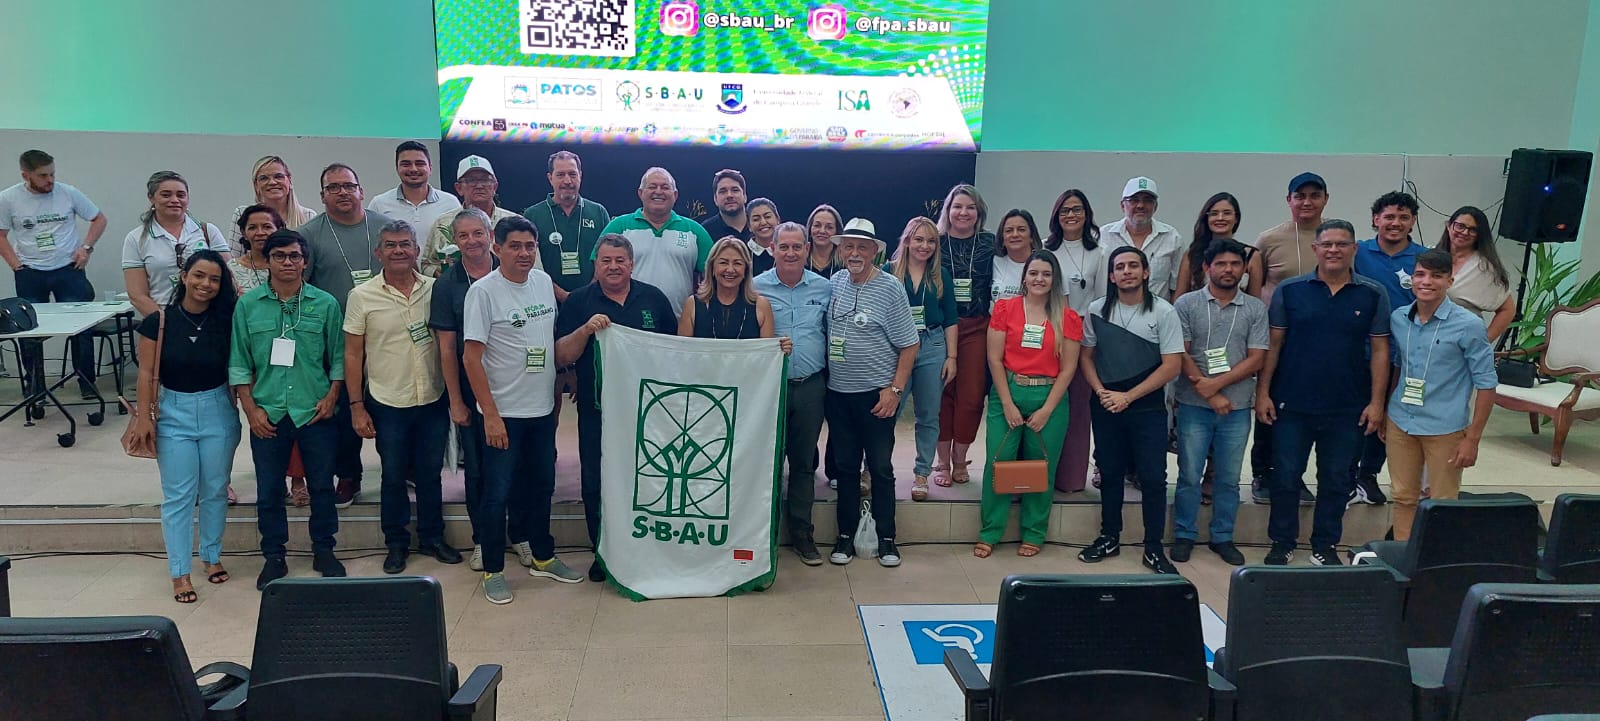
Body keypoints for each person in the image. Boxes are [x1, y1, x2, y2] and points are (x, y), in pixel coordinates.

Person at [1256, 219, 1391, 566]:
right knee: (1285, 476)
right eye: (1327, 244)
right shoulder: (1291, 290)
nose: (1334, 250)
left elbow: (1379, 351)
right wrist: (1264, 392)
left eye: (1341, 244)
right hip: (1292, 403)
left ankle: (1325, 545)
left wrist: (1377, 403)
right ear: (1315, 249)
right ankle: (1282, 542)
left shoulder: (1373, 294)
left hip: (1348, 406)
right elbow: (1274, 344)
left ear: (1354, 249)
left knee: (1336, 479)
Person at [463, 215, 581, 604]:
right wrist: (490, 414)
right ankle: (494, 569)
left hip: (543, 409)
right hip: (503, 413)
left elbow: (553, 335)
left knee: (541, 485)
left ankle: (543, 556)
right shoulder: (483, 293)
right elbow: (470, 359)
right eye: (515, 245)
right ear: (496, 248)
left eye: (530, 246)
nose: (524, 253)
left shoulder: (544, 283)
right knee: (497, 493)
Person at [229, 229, 347, 589]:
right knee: (268, 490)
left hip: (315, 410)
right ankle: (274, 556)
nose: (287, 262)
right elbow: (238, 362)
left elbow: (339, 358)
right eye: (279, 256)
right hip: (268, 413)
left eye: (294, 256)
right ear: (267, 261)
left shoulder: (324, 303)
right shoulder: (248, 306)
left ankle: (324, 550)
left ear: (305, 261)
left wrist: (332, 397)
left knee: (323, 487)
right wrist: (250, 410)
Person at [555, 233, 677, 580]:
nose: (613, 266)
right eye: (606, 260)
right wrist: (585, 331)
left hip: (649, 412)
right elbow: (562, 354)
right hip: (599, 411)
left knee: (648, 479)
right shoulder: (579, 301)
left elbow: (674, 349)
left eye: (620, 260)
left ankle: (648, 547)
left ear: (631, 263)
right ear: (596, 263)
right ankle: (603, 552)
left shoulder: (652, 298)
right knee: (597, 481)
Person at [343, 220, 463, 574]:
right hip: (387, 400)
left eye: (405, 244)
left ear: (415, 250)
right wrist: (356, 406)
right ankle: (395, 543)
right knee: (393, 475)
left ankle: (432, 537)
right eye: (391, 245)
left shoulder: (435, 289)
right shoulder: (361, 296)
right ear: (379, 252)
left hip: (432, 397)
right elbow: (352, 354)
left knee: (429, 473)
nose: (398, 251)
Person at [127, 250, 240, 603]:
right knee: (178, 496)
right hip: (173, 412)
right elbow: (146, 372)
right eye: (199, 276)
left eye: (214, 279)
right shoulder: (158, 321)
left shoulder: (228, 319)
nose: (206, 284)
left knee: (216, 489)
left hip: (218, 408)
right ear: (184, 276)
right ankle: (179, 571)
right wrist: (144, 416)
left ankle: (211, 555)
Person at [431, 207, 539, 573]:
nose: (472, 241)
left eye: (478, 233)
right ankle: (483, 541)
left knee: (522, 472)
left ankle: (521, 535)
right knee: (481, 474)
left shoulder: (523, 271)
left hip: (521, 393)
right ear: (455, 241)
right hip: (476, 394)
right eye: (464, 236)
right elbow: (449, 348)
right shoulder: (449, 284)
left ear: (489, 236)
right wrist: (458, 402)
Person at [1077, 246, 1185, 574]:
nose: (1127, 271)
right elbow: (1086, 357)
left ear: (1146, 272)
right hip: (1106, 404)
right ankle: (1109, 536)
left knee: (1153, 477)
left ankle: (1153, 548)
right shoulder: (1096, 310)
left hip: (1148, 407)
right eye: (1120, 267)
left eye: (1133, 266)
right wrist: (1101, 392)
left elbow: (1172, 366)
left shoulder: (1164, 312)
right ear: (1111, 275)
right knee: (1109, 473)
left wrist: (1129, 397)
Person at [825, 218, 919, 568]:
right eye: (848, 246)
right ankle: (845, 537)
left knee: (880, 468)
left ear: (875, 252)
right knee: (846, 468)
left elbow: (910, 345)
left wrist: (894, 390)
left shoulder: (891, 288)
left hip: (878, 397)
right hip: (839, 395)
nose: (854, 253)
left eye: (862, 247)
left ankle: (887, 538)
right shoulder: (834, 284)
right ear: (840, 250)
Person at [974, 251, 1081, 559]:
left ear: (1054, 279)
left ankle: (1034, 532)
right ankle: (990, 532)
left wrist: (1047, 409)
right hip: (1008, 392)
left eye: (1046, 274)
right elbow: (993, 358)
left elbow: (1069, 368)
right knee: (999, 461)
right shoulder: (1006, 309)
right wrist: (1006, 402)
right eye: (1033, 273)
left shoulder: (1067, 317)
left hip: (1049, 398)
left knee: (1041, 468)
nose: (1038, 279)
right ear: (1024, 278)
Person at [1386, 250, 1497, 539]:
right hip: (1401, 420)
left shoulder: (1469, 325)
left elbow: (1486, 384)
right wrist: (1388, 408)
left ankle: (1436, 568)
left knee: (1442, 502)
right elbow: (1399, 365)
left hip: (1445, 426)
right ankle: (1403, 560)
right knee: (1403, 497)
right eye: (1420, 274)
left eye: (1436, 276)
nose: (1427, 282)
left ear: (1450, 280)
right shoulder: (1399, 318)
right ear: (1412, 278)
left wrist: (1472, 439)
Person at [302, 163, 393, 508]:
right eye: (334, 187)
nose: (342, 192)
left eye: (348, 186)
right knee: (344, 414)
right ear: (322, 195)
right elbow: (303, 288)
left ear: (361, 190)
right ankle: (349, 475)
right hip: (338, 341)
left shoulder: (384, 227)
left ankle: (399, 471)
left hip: (387, 337)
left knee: (391, 409)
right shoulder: (310, 234)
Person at [1171, 240, 1268, 567]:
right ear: (1206, 268)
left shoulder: (1254, 308)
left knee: (1228, 478)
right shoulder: (1186, 304)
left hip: (1237, 407)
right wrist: (1209, 392)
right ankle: (1184, 534)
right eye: (1221, 264)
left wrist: (1218, 386)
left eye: (1235, 265)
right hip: (1193, 404)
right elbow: (1180, 353)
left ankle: (1222, 537)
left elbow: (1256, 359)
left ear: (1244, 269)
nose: (1229, 270)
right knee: (1188, 474)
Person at [0, 150, 108, 401]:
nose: (50, 180)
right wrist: (16, 265)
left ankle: (86, 382)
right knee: (28, 330)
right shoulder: (8, 198)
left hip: (68, 270)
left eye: (52, 174)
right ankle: (35, 386)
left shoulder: (68, 192)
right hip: (30, 272)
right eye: (42, 176)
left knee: (81, 326)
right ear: (25, 175)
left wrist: (86, 248)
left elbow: (99, 219)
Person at [754, 222, 833, 563]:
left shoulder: (825, 287)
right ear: (772, 249)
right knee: (766, 462)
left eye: (796, 247)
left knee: (802, 462)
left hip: (811, 386)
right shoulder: (755, 287)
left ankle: (802, 532)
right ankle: (762, 533)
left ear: (807, 249)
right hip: (768, 388)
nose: (789, 253)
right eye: (783, 247)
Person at [1250, 172, 1330, 504]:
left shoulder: (1334, 238)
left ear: (1325, 198)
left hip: (1321, 342)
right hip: (1277, 338)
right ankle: (1262, 474)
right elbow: (1255, 291)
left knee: (1309, 412)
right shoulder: (1268, 239)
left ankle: (1295, 476)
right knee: (1269, 403)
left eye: (1314, 195)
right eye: (1300, 196)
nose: (1307, 202)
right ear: (1289, 200)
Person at [1349, 191, 1422, 506]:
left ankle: (1369, 474)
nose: (1395, 223)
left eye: (1403, 217)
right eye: (1389, 217)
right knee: (1356, 414)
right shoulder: (1357, 252)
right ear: (1375, 219)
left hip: (1403, 355)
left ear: (1412, 222)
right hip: (1358, 350)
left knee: (1388, 416)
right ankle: (1347, 476)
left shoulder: (1423, 258)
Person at [884, 217, 958, 500]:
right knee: (887, 409)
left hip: (931, 344)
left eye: (930, 241)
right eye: (918, 239)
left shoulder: (941, 276)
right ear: (906, 241)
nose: (924, 246)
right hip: (895, 347)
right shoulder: (888, 272)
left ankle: (922, 472)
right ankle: (873, 468)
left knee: (928, 414)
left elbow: (951, 318)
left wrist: (952, 356)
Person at [935, 184, 995, 488]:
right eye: (957, 206)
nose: (963, 212)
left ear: (979, 212)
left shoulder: (990, 242)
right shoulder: (934, 241)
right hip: (940, 326)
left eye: (970, 207)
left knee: (971, 397)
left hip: (976, 326)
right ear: (948, 210)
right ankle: (942, 463)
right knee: (942, 395)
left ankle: (961, 459)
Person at [1043, 188, 1102, 494]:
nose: (1071, 215)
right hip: (1047, 333)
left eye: (1077, 209)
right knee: (1047, 406)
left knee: (1078, 408)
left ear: (1086, 214)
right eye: (1065, 210)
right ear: (1056, 215)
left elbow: (1103, 298)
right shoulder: (1045, 248)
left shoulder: (1098, 252)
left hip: (1083, 332)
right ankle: (1041, 476)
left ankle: (1071, 478)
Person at [597, 167, 714, 319]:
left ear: (675, 195)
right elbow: (598, 273)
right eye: (652, 187)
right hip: (626, 325)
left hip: (679, 324)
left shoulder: (695, 231)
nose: (658, 191)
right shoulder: (618, 226)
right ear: (640, 193)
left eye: (665, 187)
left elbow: (712, 277)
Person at [122, 171, 230, 317]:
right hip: (161, 318)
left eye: (180, 195)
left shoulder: (208, 231)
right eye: (166, 195)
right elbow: (137, 295)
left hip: (209, 318)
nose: (174, 200)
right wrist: (164, 322)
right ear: (151, 198)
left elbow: (228, 277)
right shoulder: (136, 238)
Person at [525, 150, 611, 302]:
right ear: (550, 178)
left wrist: (587, 293)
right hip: (547, 301)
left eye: (572, 174)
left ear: (580, 176)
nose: (567, 181)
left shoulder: (598, 212)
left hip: (593, 299)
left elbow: (608, 256)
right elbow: (530, 264)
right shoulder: (532, 215)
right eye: (560, 175)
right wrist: (561, 295)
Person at [422, 155, 520, 277]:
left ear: (494, 186)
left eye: (485, 180)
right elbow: (426, 264)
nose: (479, 186)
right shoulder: (443, 223)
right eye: (471, 181)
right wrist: (441, 275)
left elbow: (533, 265)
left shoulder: (515, 223)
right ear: (458, 188)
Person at [1436, 206, 1514, 342]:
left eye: (1473, 230)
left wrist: (1483, 342)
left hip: (1461, 343)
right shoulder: (1431, 257)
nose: (1465, 232)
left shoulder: (1484, 267)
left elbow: (1507, 309)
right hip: (1426, 339)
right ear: (1448, 226)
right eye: (1460, 226)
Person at [1100, 177, 1183, 299]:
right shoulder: (1103, 236)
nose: (1140, 205)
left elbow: (1176, 287)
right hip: (1112, 314)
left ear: (1155, 206)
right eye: (1134, 200)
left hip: (1157, 315)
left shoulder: (1172, 238)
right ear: (1123, 205)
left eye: (1147, 200)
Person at [679, 237, 776, 340]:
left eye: (737, 263)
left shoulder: (762, 306)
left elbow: (768, 353)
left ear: (746, 270)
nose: (730, 270)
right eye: (723, 263)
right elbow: (682, 351)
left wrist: (781, 348)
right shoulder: (692, 304)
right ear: (712, 267)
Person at [366, 141, 461, 238]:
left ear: (430, 168)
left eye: (420, 164)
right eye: (406, 164)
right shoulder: (379, 204)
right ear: (397, 168)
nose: (413, 169)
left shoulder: (450, 203)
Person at [1175, 193, 1262, 297]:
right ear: (1206, 218)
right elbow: (1179, 298)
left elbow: (1256, 302)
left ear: (1236, 218)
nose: (1220, 218)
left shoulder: (1251, 255)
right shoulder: (1193, 254)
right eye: (1214, 213)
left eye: (1227, 213)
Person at [228, 155, 316, 254]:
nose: (272, 182)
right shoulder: (242, 213)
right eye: (264, 178)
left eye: (278, 176)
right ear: (256, 185)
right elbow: (234, 258)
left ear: (290, 181)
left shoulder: (308, 216)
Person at [991, 209, 1043, 307]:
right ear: (1002, 239)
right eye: (1009, 230)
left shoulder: (1043, 263)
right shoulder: (995, 262)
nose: (1015, 234)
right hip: (1000, 320)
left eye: (1021, 229)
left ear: (1031, 236)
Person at [229, 204, 281, 294]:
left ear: (279, 230)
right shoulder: (231, 269)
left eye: (267, 227)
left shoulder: (289, 265)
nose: (260, 233)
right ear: (244, 233)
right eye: (252, 228)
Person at [700, 168, 751, 241]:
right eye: (723, 191)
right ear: (715, 199)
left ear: (745, 196)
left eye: (735, 190)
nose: (729, 195)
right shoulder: (705, 232)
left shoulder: (759, 225)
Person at [806, 204, 845, 277]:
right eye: (817, 225)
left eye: (829, 227)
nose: (822, 231)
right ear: (810, 229)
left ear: (837, 232)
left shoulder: (845, 264)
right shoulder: (799, 261)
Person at [743, 197, 780, 276]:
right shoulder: (742, 252)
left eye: (767, 217)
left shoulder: (788, 250)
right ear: (749, 225)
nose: (763, 222)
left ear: (778, 220)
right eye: (756, 219)